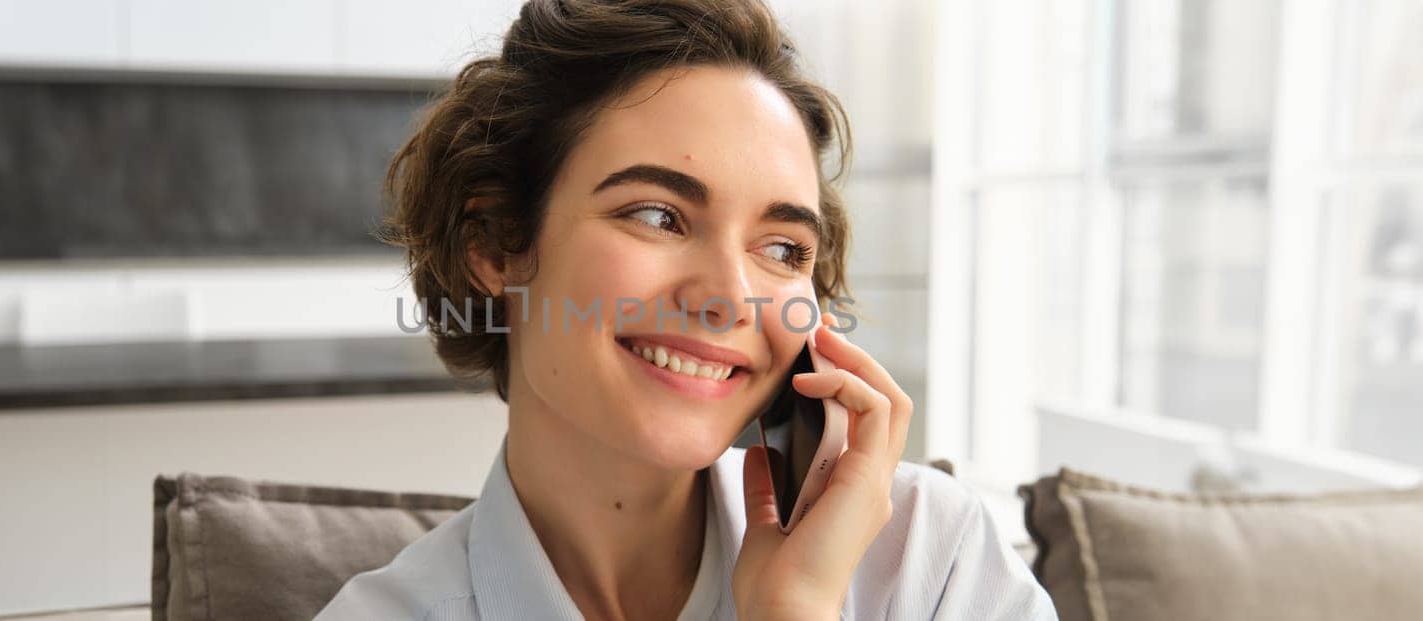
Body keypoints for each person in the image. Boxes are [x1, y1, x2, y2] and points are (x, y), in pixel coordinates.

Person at [316, 0, 1056, 618]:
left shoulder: (931, 563)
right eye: (657, 216)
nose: (730, 296)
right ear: (495, 241)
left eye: (783, 249)